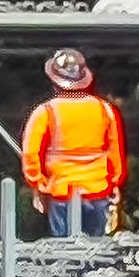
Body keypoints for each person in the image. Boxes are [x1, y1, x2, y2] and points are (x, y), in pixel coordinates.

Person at [21, 48, 126, 236]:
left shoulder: (45, 112)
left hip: (61, 192)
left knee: (64, 253)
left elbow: (30, 154)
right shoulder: (105, 110)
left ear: (54, 82)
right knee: (98, 252)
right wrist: (115, 183)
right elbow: (114, 152)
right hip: (98, 191)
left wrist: (38, 185)